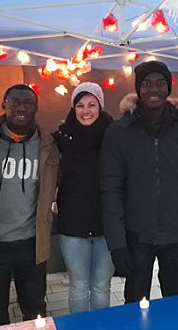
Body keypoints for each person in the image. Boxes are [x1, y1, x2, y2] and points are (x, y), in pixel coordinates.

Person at [100, 61, 178, 303]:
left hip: (177, 233)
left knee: (175, 303)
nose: (154, 89)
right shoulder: (119, 132)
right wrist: (116, 243)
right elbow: (111, 190)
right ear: (139, 89)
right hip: (137, 233)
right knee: (135, 303)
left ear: (168, 88)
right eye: (147, 84)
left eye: (160, 83)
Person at [0, 84, 59, 326]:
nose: (21, 107)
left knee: (35, 309)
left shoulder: (48, 146)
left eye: (28, 103)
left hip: (31, 242)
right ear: (4, 105)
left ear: (36, 107)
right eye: (15, 101)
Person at [52, 82, 115, 314]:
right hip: (73, 224)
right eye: (80, 105)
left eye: (91, 104)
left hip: (107, 225)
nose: (86, 110)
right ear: (73, 108)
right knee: (78, 286)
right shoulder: (61, 138)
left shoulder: (114, 135)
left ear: (100, 106)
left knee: (100, 286)